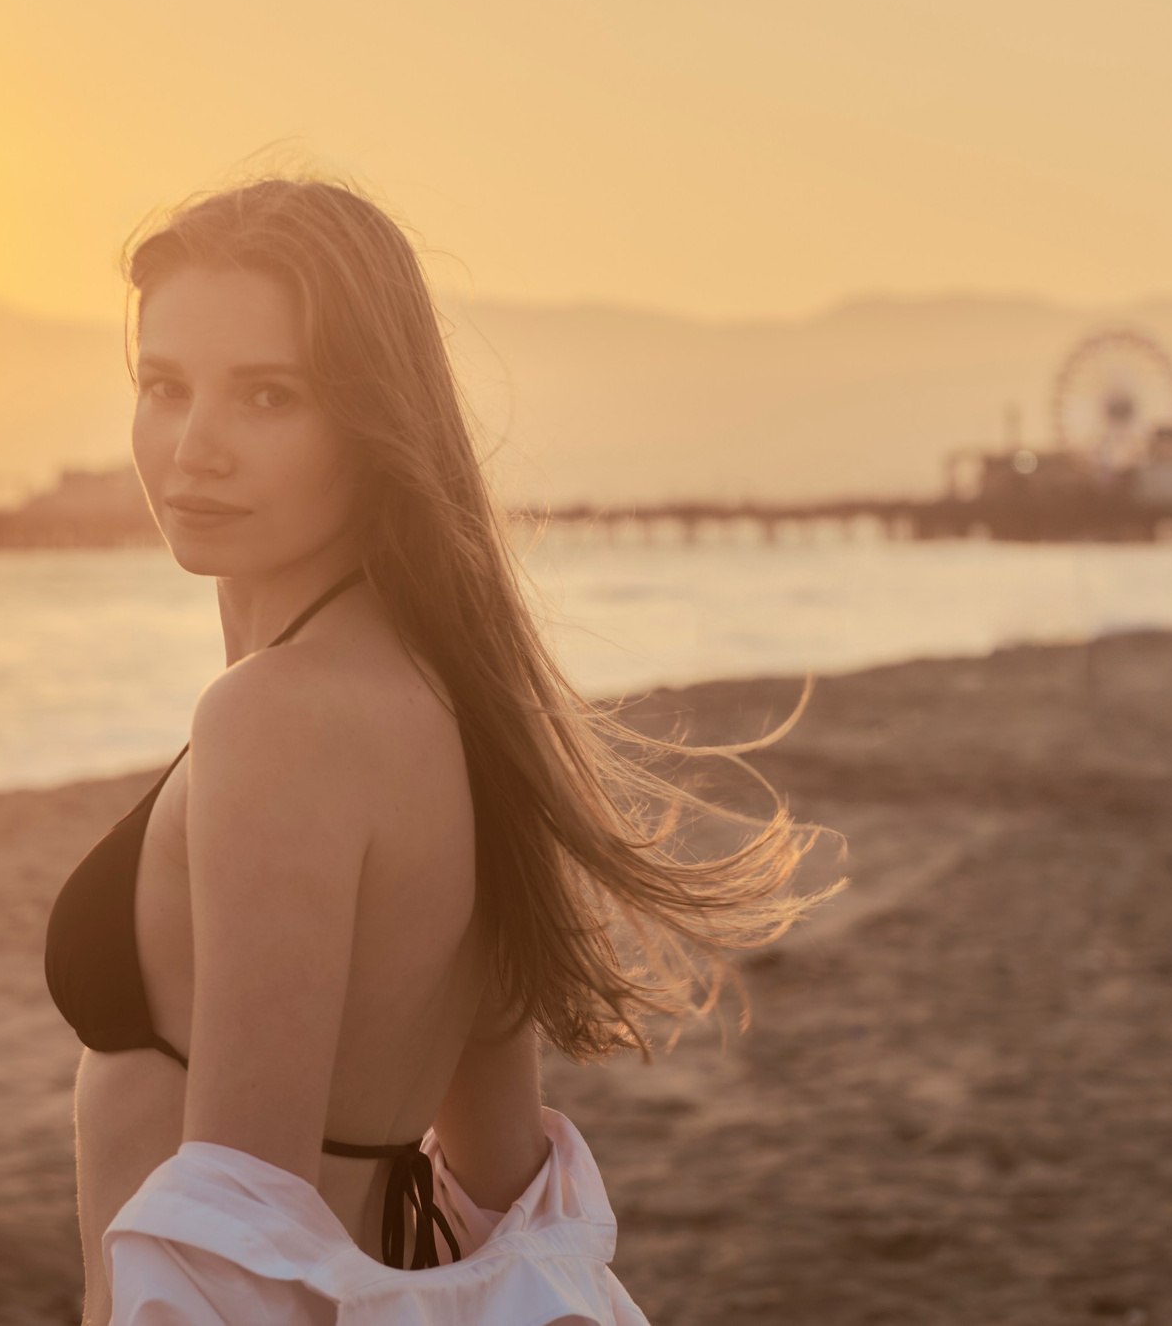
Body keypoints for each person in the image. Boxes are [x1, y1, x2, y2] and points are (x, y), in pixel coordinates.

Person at [44, 178, 822, 1323]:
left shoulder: (279, 717)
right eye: (163, 385)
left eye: (267, 394)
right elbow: (504, 1186)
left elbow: (239, 1236)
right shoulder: (451, 691)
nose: (192, 445)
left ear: (371, 418)